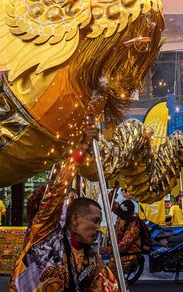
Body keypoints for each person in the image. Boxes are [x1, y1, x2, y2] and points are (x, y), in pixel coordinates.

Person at [9, 121, 119, 291]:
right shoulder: (45, 234)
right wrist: (83, 146)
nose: (98, 228)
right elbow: (58, 187)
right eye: (95, 221)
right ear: (75, 218)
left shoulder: (90, 259)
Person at [100, 198, 142, 283]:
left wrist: (107, 250)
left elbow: (124, 244)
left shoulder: (134, 225)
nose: (121, 218)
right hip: (117, 254)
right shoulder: (121, 217)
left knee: (112, 278)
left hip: (128, 255)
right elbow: (109, 200)